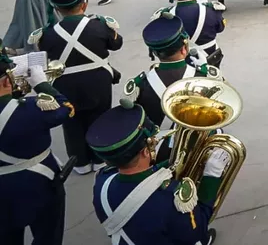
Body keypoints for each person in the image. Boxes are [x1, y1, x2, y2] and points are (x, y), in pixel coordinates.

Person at [87, 104, 225, 245]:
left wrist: (178, 161)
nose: (156, 141)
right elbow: (198, 229)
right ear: (145, 152)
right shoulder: (171, 198)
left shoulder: (102, 180)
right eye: (153, 140)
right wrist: (212, 176)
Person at [34, 0, 123, 175]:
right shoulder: (100, 25)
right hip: (98, 82)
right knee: (100, 118)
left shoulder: (47, 34)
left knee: (72, 123)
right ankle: (100, 158)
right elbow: (116, 44)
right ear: (84, 3)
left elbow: (45, 54)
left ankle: (80, 163)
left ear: (56, 8)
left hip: (66, 84)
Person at [0, 47, 74, 245]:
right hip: (39, 183)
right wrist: (42, 85)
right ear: (7, 80)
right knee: (47, 236)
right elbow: (65, 108)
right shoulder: (31, 109)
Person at [120, 13, 217, 159]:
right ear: (184, 48)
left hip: (158, 151)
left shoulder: (140, 85)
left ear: (154, 52)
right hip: (198, 146)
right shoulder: (204, 76)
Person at [154, 0, 227, 67]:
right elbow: (220, 28)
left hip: (182, 62)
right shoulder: (211, 10)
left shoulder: (165, 15)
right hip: (210, 57)